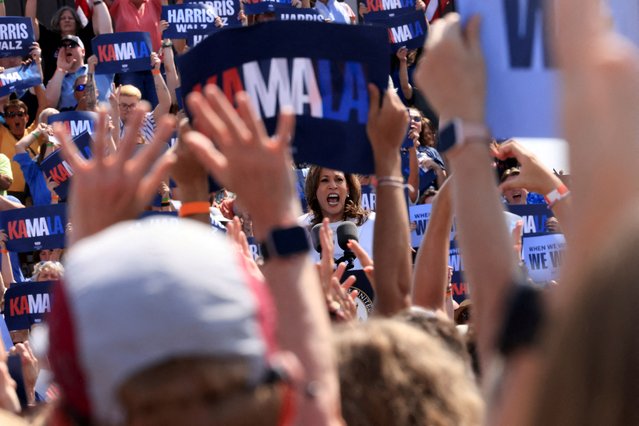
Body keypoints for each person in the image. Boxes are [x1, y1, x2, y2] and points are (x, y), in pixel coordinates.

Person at [300, 166, 374, 270]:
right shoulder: (299, 229)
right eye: (324, 180)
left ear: (348, 187)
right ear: (314, 189)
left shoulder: (374, 225)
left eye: (339, 180)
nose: (333, 186)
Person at [25, 1, 113, 83]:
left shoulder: (85, 35)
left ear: (77, 22)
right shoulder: (50, 39)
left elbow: (106, 35)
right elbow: (30, 21)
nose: (67, 20)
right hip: (56, 90)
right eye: (63, 18)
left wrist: (97, 1)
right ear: (58, 23)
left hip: (85, 87)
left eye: (70, 18)